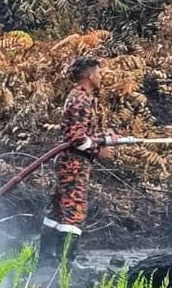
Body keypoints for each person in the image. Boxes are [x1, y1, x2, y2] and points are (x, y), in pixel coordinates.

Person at [39, 55, 119, 267]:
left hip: (71, 163)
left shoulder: (81, 97)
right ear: (90, 75)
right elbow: (77, 138)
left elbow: (84, 132)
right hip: (73, 165)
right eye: (98, 73)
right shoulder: (81, 100)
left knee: (58, 209)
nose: (101, 76)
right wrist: (99, 150)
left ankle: (46, 260)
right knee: (75, 211)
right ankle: (66, 263)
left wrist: (105, 137)